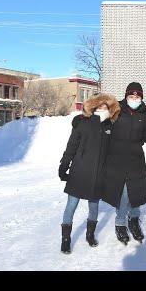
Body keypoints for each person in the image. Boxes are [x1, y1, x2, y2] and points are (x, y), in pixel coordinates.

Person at [58, 93, 120, 254]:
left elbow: (114, 153)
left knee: (94, 207)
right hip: (79, 171)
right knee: (71, 205)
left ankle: (90, 234)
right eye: (99, 106)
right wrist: (64, 164)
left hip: (99, 174)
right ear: (93, 107)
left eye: (105, 107)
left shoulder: (110, 127)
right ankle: (66, 239)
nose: (102, 109)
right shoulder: (83, 123)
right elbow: (72, 145)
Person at [101, 82, 146, 245]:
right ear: (126, 96)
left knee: (137, 192)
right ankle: (120, 223)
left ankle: (134, 221)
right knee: (124, 193)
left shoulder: (145, 114)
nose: (134, 99)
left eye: (137, 96)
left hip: (135, 158)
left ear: (141, 98)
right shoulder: (116, 109)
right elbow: (101, 125)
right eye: (131, 96)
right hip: (117, 157)